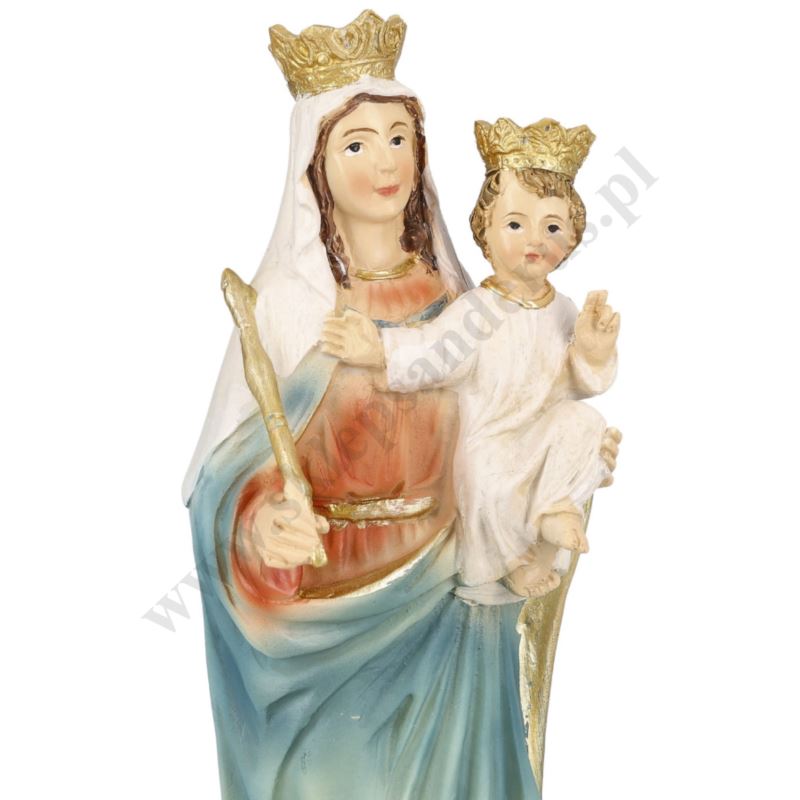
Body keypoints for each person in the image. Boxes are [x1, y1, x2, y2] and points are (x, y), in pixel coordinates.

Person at [183, 12, 619, 799]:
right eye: (357, 144)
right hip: (328, 600)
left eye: (399, 138)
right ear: (315, 166)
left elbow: (514, 414)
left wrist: (568, 453)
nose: (386, 161)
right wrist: (261, 523)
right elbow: (219, 476)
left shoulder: (463, 299)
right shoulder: (289, 304)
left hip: (447, 588)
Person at [321, 117, 620, 601]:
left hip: (541, 438)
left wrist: (592, 349)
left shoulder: (564, 311)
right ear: (485, 232)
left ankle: (551, 515)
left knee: (586, 422)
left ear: (571, 239)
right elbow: (431, 353)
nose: (534, 240)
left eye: (552, 228)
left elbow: (578, 383)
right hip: (492, 442)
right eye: (515, 225)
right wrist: (377, 349)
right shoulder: (476, 312)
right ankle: (514, 563)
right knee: (486, 477)